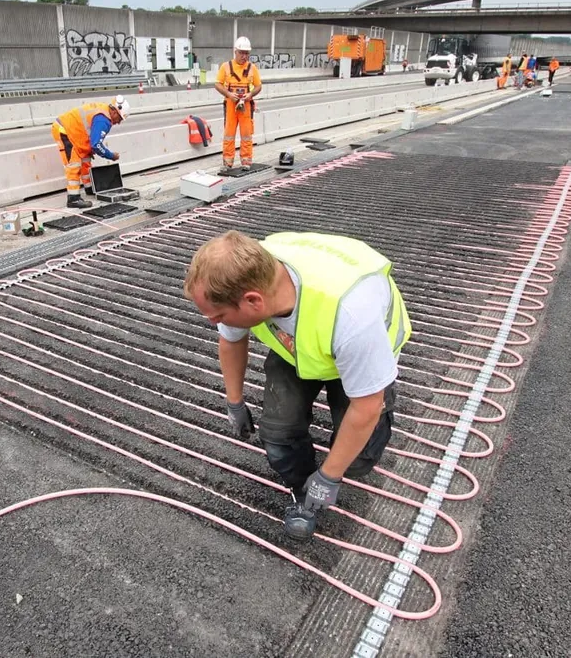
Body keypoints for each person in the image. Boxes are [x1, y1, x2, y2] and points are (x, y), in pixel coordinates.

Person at [184, 230, 411, 541]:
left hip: (354, 346)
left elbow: (367, 405)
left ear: (253, 301)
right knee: (278, 437)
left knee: (358, 458)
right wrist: (234, 402)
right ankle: (305, 493)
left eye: (218, 315)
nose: (213, 322)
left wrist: (330, 476)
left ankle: (329, 476)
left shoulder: (351, 317)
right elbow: (230, 340)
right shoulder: (240, 275)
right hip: (299, 343)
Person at [51, 95, 129, 209]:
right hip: (65, 131)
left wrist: (91, 149)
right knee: (74, 165)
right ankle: (73, 199)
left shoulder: (104, 113)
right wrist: (111, 156)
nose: (118, 122)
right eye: (120, 119)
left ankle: (89, 188)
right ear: (115, 112)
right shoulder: (103, 120)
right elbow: (96, 144)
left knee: (86, 159)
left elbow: (92, 139)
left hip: (74, 133)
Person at [216, 37, 263, 173]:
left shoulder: (252, 68)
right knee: (229, 134)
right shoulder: (225, 67)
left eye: (247, 53)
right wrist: (229, 95)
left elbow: (258, 86)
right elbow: (217, 84)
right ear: (235, 52)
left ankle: (246, 161)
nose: (244, 56)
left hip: (246, 105)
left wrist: (250, 95)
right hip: (231, 104)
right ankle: (227, 162)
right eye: (241, 53)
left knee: (246, 134)